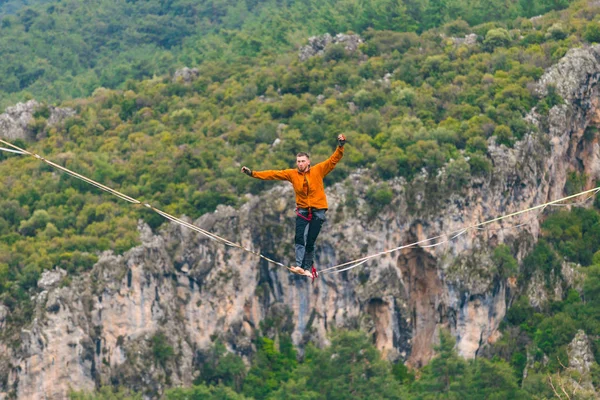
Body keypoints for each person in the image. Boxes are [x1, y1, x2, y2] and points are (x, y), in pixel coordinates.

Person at [241, 134, 346, 278]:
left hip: (318, 209)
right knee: (299, 238)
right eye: (298, 161)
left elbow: (333, 160)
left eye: (303, 161)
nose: (300, 164)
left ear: (308, 162)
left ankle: (307, 268)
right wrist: (253, 174)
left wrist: (340, 146)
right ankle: (299, 266)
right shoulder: (292, 174)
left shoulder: (318, 170)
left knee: (310, 240)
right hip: (303, 210)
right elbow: (273, 174)